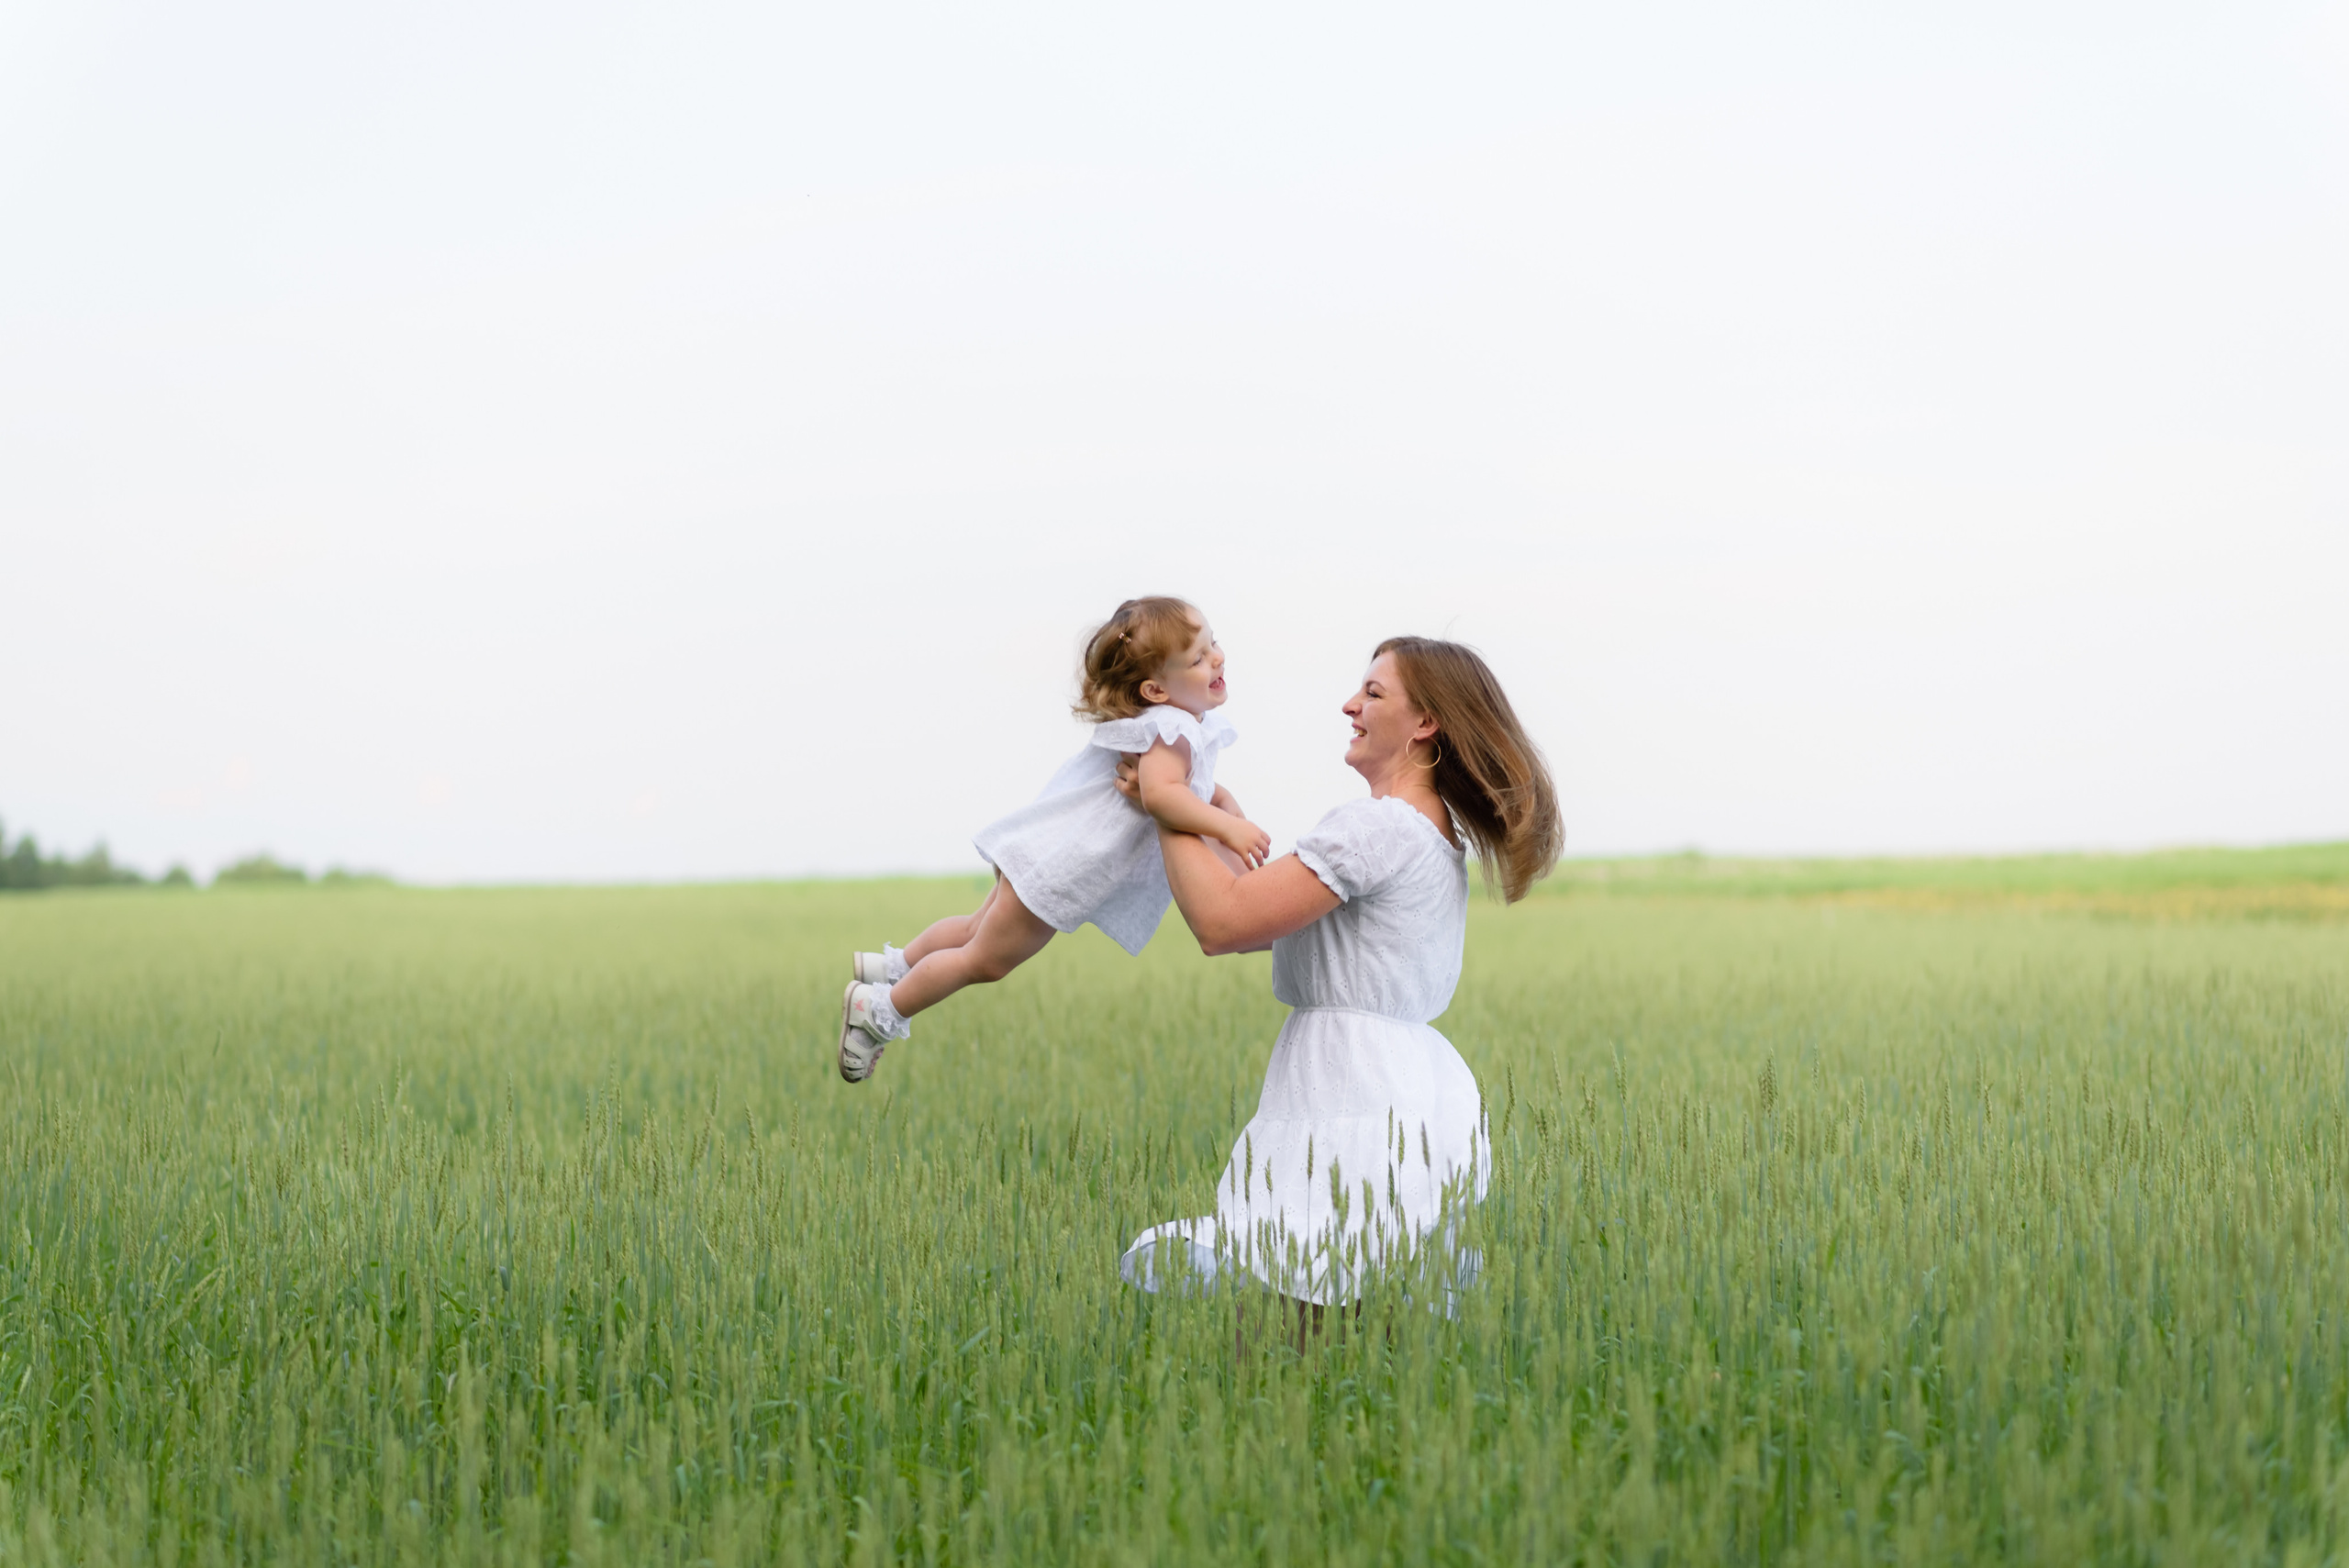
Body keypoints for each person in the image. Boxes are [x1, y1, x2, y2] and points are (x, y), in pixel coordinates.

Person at [1118, 636, 1562, 1347]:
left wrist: (1162, 800)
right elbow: (1272, 918)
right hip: (1389, 1082)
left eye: (1374, 693)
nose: (1350, 705)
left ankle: (1286, 1445)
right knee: (1337, 1312)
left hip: (1347, 1086)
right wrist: (1205, 809)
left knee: (1283, 1314)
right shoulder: (1425, 833)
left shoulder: (1378, 828)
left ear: (1425, 725)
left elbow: (1222, 921)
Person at [837, 596, 1271, 1083]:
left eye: (1214, 644)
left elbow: (1181, 785)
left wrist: (1219, 799)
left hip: (1046, 849)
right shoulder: (1171, 730)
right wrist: (1227, 825)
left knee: (970, 932)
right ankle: (879, 1012)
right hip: (1064, 870)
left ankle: (893, 965)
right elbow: (1162, 794)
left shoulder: (1167, 725)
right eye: (1198, 658)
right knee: (981, 960)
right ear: (1155, 689)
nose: (1217, 658)